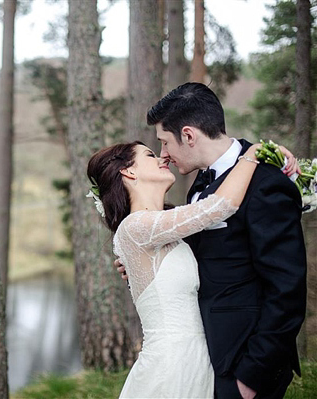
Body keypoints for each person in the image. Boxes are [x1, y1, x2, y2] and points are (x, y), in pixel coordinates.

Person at [114, 82, 307, 398]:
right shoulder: (199, 184)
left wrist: (251, 378)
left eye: (164, 143)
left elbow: (287, 287)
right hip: (202, 363)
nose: (164, 155)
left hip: (243, 366)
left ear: (188, 135)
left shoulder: (265, 181)